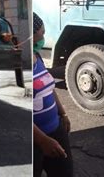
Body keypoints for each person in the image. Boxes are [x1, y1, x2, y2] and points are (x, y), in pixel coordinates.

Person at [33, 12, 73, 177]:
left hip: (55, 129)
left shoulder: (37, 57)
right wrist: (42, 140)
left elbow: (49, 88)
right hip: (35, 141)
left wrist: (62, 113)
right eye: (42, 32)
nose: (44, 36)